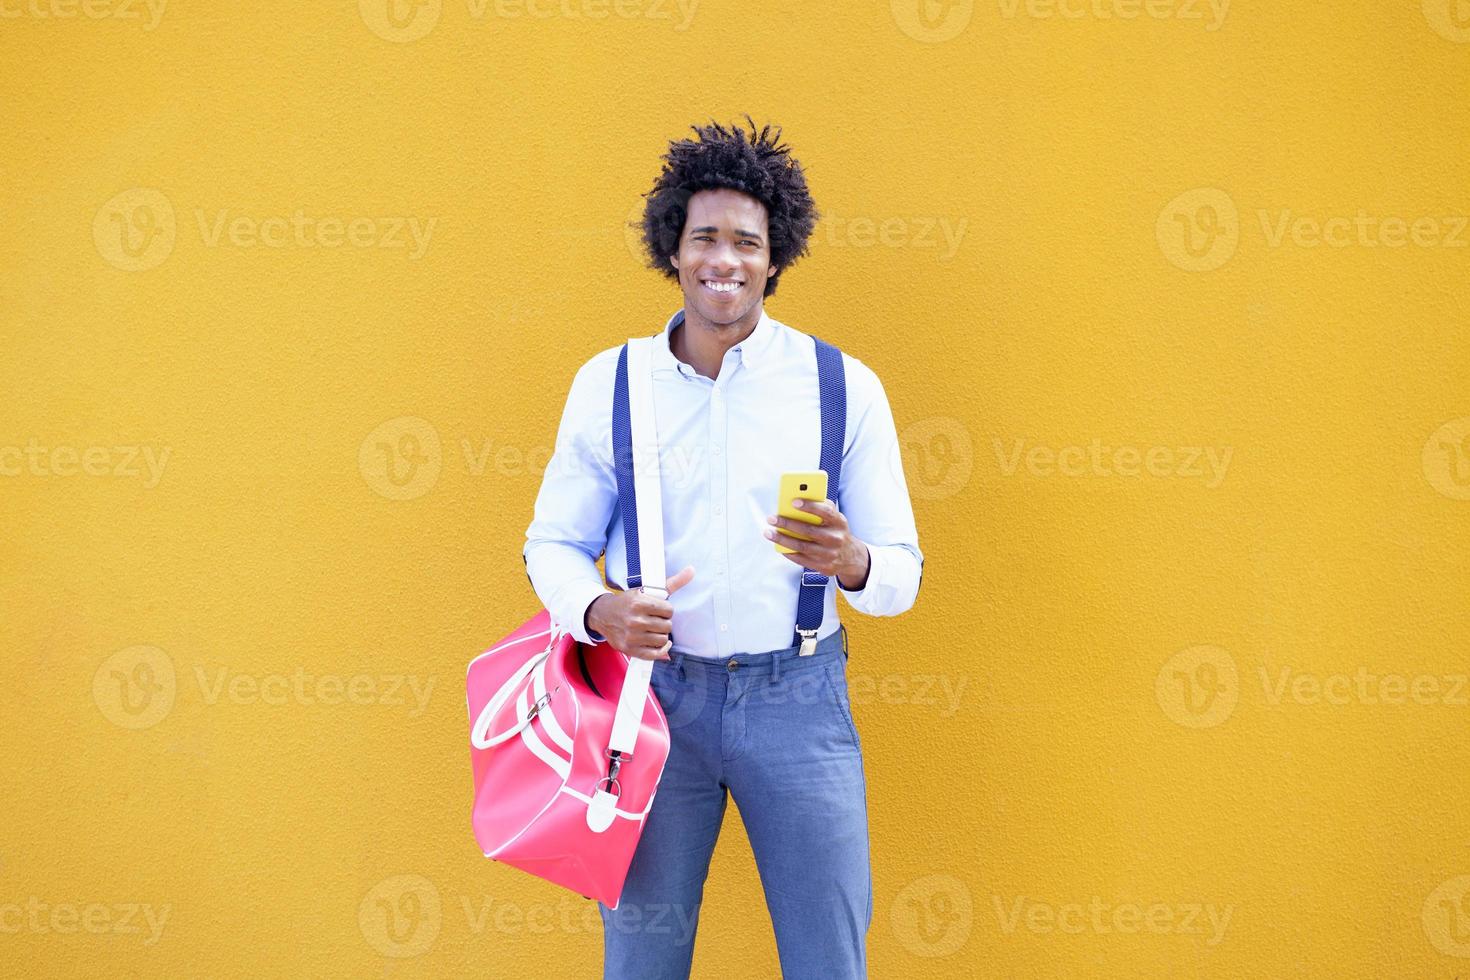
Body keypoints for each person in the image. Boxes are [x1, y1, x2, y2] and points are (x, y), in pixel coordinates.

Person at [522, 116, 923, 979]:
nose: (725, 260)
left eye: (748, 241)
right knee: (643, 960)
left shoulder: (841, 385)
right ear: (674, 247)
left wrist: (851, 562)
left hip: (801, 704)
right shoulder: (611, 384)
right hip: (652, 706)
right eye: (705, 236)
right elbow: (552, 542)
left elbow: (900, 577)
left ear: (776, 258)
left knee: (829, 959)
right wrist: (597, 610)